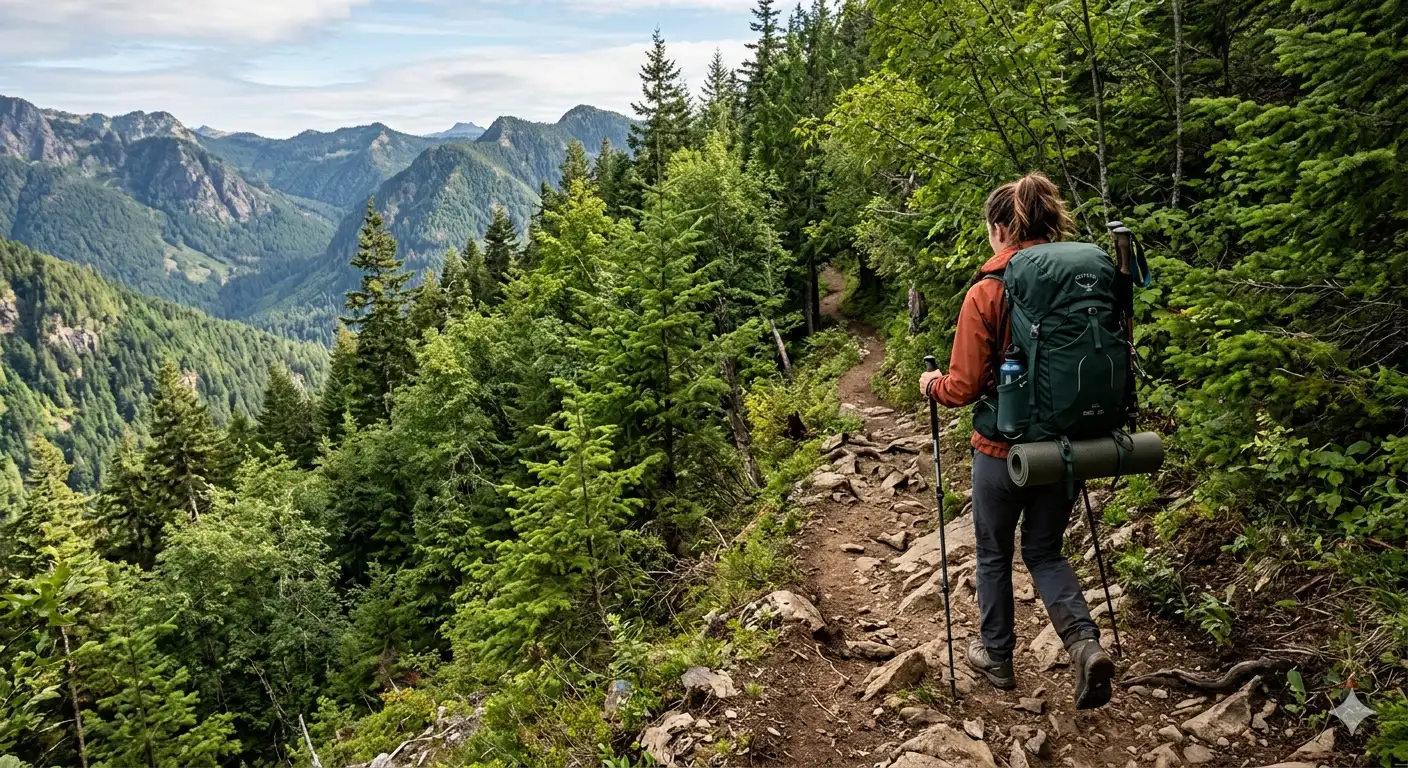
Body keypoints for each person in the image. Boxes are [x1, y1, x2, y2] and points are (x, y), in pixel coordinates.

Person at [918, 173, 1115, 710]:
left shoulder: (987, 292)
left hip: (1001, 453)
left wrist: (930, 385)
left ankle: (997, 658)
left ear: (1001, 228)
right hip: (1066, 449)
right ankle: (1084, 643)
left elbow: (960, 386)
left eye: (989, 228)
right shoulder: (1079, 283)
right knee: (1046, 551)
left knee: (993, 555)